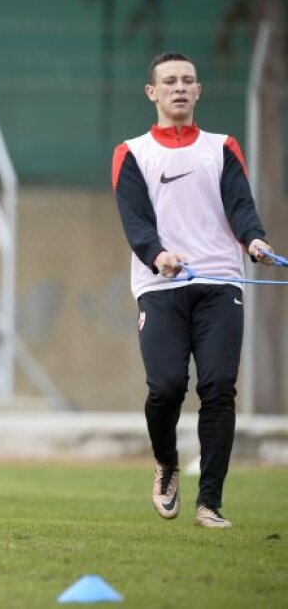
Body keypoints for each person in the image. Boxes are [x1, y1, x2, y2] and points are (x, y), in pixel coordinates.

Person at [112, 50, 277, 529]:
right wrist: (158, 255)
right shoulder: (132, 152)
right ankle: (166, 463)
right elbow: (135, 219)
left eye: (188, 80)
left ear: (198, 90)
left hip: (220, 282)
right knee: (165, 388)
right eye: (170, 81)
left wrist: (255, 239)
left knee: (219, 388)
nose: (179, 87)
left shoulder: (221, 147)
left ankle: (210, 503)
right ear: (152, 92)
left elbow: (240, 204)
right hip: (159, 284)